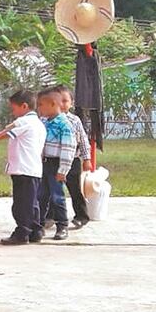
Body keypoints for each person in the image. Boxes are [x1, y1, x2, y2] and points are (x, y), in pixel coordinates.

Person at [0, 89, 46, 245]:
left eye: (13, 108)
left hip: (22, 169)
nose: (12, 111)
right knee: (32, 202)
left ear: (24, 106)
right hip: (33, 169)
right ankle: (35, 230)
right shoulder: (38, 124)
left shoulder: (23, 122)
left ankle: (22, 232)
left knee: (21, 204)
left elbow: (4, 133)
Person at [33, 87, 75, 242]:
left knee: (57, 197)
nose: (39, 108)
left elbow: (68, 148)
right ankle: (39, 225)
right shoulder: (43, 122)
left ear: (52, 104)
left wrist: (63, 169)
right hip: (43, 163)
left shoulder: (65, 125)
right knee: (41, 195)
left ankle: (62, 225)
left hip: (56, 164)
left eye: (41, 105)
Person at [55, 84, 92, 228]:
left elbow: (83, 140)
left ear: (71, 103)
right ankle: (51, 216)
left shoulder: (75, 120)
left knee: (75, 189)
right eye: (59, 101)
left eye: (65, 101)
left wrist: (86, 159)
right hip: (54, 161)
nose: (62, 104)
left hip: (73, 160)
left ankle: (81, 216)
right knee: (53, 190)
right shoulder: (48, 120)